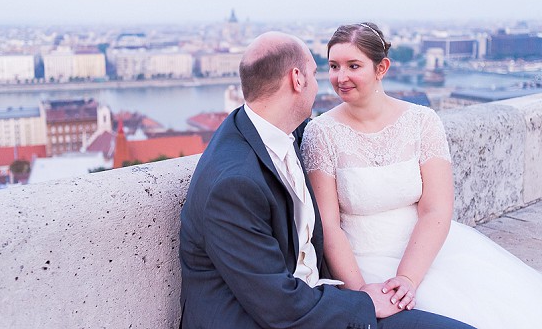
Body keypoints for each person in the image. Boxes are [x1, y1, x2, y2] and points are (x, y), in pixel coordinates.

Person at [179, 31, 473, 328]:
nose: (331, 81)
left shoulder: (283, 132)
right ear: (297, 79)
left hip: (318, 299)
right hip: (281, 316)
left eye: (352, 66)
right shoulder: (233, 183)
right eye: (321, 71)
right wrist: (366, 302)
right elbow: (278, 305)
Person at [303, 22, 542, 328]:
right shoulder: (321, 133)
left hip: (426, 252)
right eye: (334, 66)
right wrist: (362, 294)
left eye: (353, 65)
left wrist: (407, 277)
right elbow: (329, 226)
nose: (341, 77)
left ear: (381, 68)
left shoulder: (421, 122)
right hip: (359, 262)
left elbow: (436, 209)